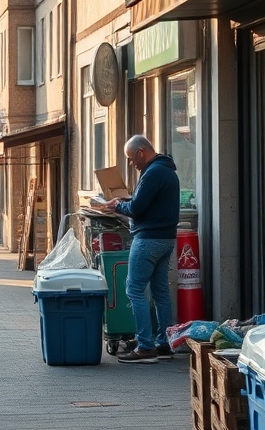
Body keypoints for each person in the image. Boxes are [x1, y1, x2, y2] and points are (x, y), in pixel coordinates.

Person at [105, 134, 180, 364]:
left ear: (141, 152)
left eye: (131, 158)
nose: (131, 163)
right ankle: (164, 344)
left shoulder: (153, 173)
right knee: (160, 293)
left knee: (134, 290)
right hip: (165, 239)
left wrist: (118, 204)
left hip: (148, 239)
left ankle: (145, 346)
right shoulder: (166, 170)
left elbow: (137, 207)